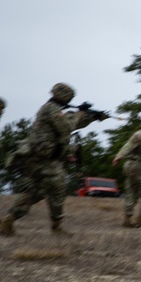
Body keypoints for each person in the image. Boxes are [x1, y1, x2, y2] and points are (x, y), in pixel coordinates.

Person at [0, 83, 107, 236]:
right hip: (46, 158)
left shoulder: (52, 109)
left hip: (39, 157)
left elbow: (69, 125)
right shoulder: (51, 109)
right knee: (58, 189)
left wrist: (90, 118)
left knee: (35, 192)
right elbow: (66, 127)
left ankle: (9, 220)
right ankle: (56, 227)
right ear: (64, 96)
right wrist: (80, 114)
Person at [112, 116, 141, 227]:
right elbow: (128, 146)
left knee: (131, 191)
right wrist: (119, 156)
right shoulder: (139, 135)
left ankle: (127, 219)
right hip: (134, 164)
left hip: (135, 166)